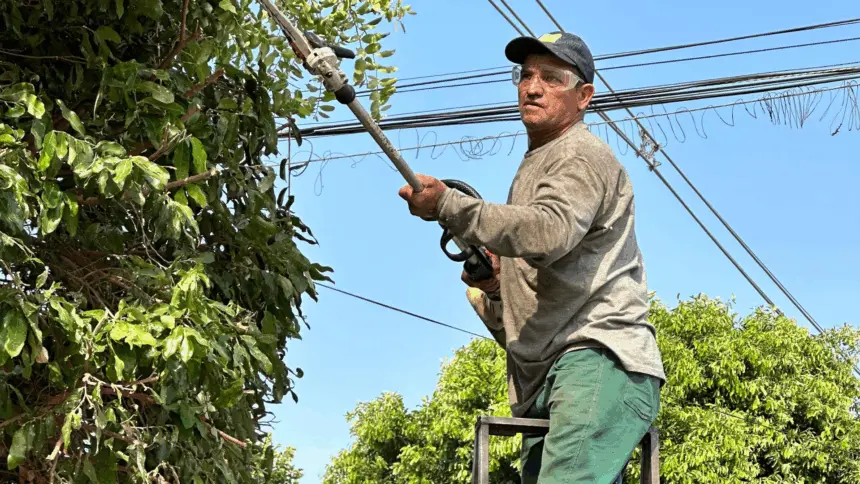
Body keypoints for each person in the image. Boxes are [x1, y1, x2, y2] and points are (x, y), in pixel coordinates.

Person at [398, 31, 665, 483]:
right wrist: (498, 287)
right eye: (525, 76)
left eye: (551, 78)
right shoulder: (536, 166)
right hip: (549, 379)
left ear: (584, 97)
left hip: (597, 359)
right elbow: (539, 301)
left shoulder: (580, 155)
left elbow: (548, 231)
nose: (532, 86)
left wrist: (448, 205)